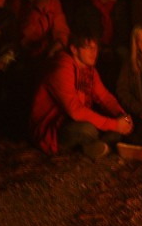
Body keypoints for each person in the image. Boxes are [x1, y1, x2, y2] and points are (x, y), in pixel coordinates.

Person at [30, 30, 133, 158]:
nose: (94, 53)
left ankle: (93, 147)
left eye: (96, 48)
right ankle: (95, 146)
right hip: (52, 129)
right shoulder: (62, 68)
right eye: (88, 48)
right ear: (74, 49)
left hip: (74, 121)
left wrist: (122, 116)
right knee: (89, 129)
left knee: (115, 130)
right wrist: (114, 124)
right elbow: (75, 110)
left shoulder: (89, 70)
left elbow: (105, 97)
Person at [76, 0, 130, 90]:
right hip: (94, 47)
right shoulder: (86, 9)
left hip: (115, 46)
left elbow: (123, 32)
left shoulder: (119, 6)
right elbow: (85, 34)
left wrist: (112, 47)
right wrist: (100, 48)